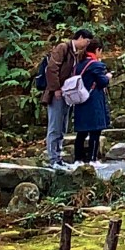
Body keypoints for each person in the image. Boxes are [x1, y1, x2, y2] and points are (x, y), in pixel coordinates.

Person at [38, 29, 93, 167]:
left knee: (63, 126)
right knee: (55, 126)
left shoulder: (75, 54)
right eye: (86, 41)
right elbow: (52, 68)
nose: (86, 45)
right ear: (80, 37)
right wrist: (55, 88)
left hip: (67, 94)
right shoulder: (63, 48)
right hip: (57, 93)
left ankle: (58, 157)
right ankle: (52, 159)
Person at [70, 40, 112, 164]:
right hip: (93, 101)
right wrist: (107, 77)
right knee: (95, 131)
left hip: (80, 100)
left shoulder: (79, 64)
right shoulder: (96, 65)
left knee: (81, 133)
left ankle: (78, 159)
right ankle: (92, 159)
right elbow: (102, 82)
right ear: (97, 50)